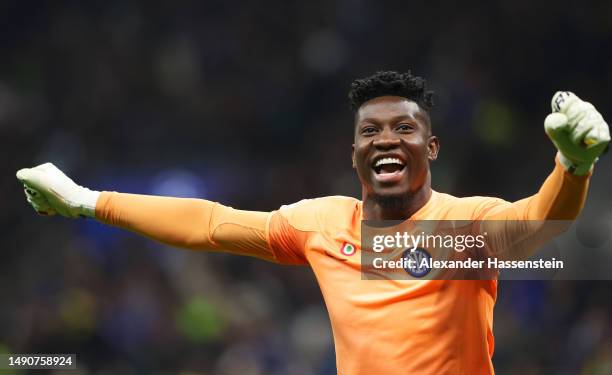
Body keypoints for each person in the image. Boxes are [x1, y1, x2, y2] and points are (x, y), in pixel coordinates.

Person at [16, 71, 610, 374]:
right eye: (370, 131)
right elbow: (211, 223)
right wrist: (87, 200)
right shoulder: (324, 225)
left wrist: (573, 164)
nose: (386, 141)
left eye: (405, 129)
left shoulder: (461, 225)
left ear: (432, 149)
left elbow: (538, 222)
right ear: (353, 152)